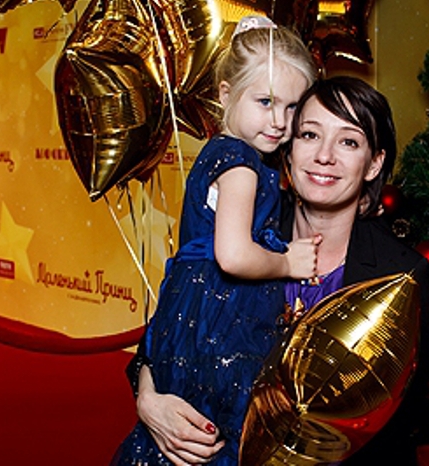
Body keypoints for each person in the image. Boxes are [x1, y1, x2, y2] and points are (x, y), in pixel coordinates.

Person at [124, 76, 429, 465]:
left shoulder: (401, 273)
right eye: (309, 135)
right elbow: (170, 330)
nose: (324, 156)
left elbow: (400, 423)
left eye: (349, 142)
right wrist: (149, 401)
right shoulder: (243, 234)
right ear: (288, 148)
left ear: (374, 164)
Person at [111, 16, 319, 466]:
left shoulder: (221, 153)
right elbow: (234, 255)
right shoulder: (241, 163)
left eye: (292, 108)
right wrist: (288, 263)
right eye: (265, 101)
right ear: (225, 94)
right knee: (219, 434)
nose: (279, 122)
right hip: (222, 323)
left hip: (191, 314)